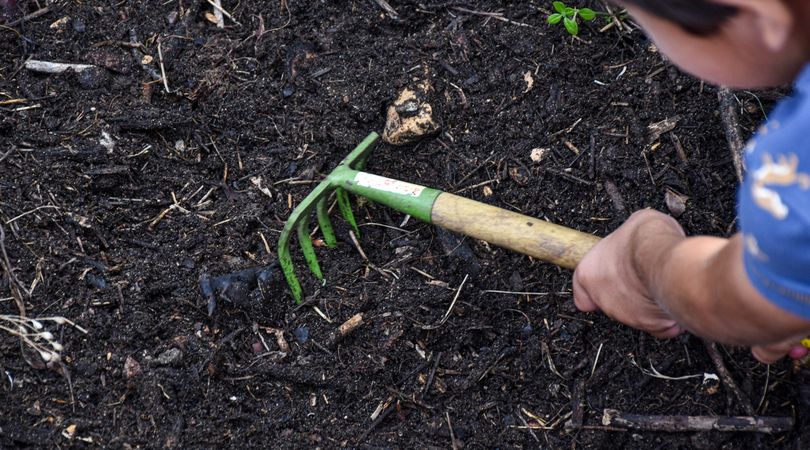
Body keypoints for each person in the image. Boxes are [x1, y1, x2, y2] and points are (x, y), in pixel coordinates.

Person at [572, 0, 810, 364]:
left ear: (758, 14)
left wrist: (641, 257)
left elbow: (728, 301)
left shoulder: (795, 174)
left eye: (646, 25)